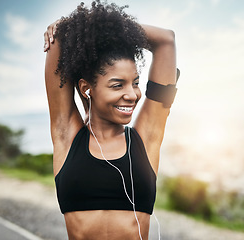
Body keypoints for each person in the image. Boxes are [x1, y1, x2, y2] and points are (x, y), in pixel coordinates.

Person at [43, 1, 178, 240]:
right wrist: (73, 27)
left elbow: (165, 40)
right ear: (87, 88)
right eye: (118, 85)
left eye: (135, 82)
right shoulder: (67, 136)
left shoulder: (146, 138)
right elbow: (58, 41)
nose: (132, 94)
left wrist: (89, 24)